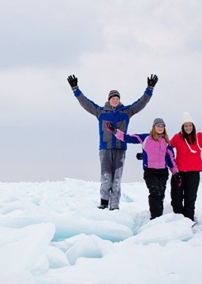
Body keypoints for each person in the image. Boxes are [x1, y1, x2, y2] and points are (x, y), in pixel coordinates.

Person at [67, 74, 158, 210]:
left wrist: (149, 89)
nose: (115, 100)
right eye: (113, 98)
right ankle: (104, 202)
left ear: (119, 100)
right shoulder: (101, 112)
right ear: (109, 100)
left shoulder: (126, 112)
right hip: (105, 149)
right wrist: (75, 89)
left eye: (117, 98)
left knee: (116, 179)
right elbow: (86, 103)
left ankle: (114, 205)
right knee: (106, 177)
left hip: (120, 148)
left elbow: (141, 102)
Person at [105, 118, 178, 219]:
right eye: (158, 126)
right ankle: (155, 217)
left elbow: (171, 159)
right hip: (150, 171)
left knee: (161, 194)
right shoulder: (146, 138)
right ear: (154, 127)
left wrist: (176, 173)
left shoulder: (166, 142)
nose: (160, 128)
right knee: (154, 193)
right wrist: (115, 131)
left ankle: (159, 217)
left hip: (163, 172)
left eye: (162, 126)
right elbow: (128, 138)